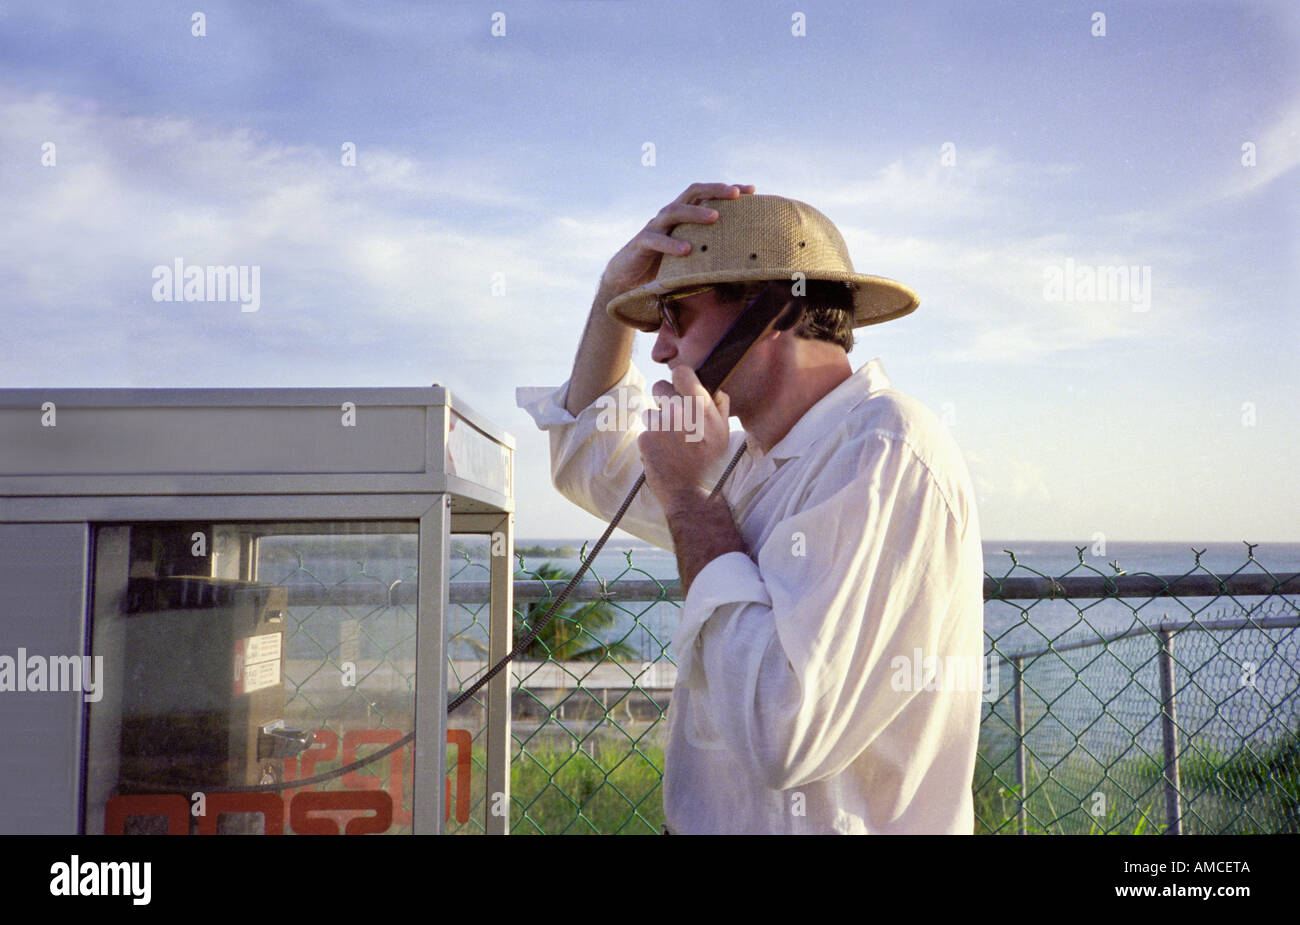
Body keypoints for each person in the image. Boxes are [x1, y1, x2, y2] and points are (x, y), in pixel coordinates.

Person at [517, 182, 985, 834]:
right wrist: (607, 301)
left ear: (774, 310)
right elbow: (591, 456)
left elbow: (782, 727)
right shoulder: (747, 461)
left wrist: (687, 498)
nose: (658, 347)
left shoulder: (885, 451)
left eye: (676, 314)